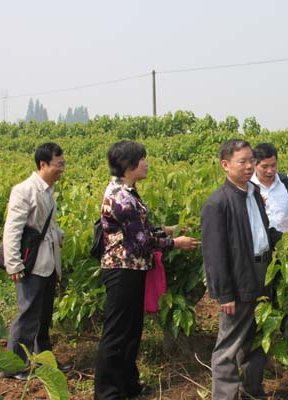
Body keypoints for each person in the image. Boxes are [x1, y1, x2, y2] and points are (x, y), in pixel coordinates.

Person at [94, 140, 199, 400]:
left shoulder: (128, 192)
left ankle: (128, 386)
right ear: (128, 165)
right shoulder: (121, 197)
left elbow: (139, 230)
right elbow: (141, 241)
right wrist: (175, 243)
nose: (146, 163)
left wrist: (168, 230)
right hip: (122, 269)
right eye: (142, 159)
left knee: (131, 329)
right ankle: (108, 393)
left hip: (133, 268)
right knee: (117, 332)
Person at [201, 139, 284, 400]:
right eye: (242, 162)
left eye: (251, 160)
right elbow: (214, 254)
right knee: (229, 345)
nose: (249, 166)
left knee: (256, 339)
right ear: (225, 165)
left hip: (262, 272)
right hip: (239, 280)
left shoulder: (253, 194)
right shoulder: (218, 203)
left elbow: (264, 233)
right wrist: (224, 293)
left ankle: (252, 391)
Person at [1, 142, 70, 380]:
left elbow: (45, 225)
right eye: (58, 164)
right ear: (43, 164)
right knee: (27, 315)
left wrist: (59, 234)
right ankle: (13, 366)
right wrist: (14, 264)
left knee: (43, 316)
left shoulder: (48, 190)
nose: (62, 169)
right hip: (31, 264)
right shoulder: (24, 190)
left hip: (47, 262)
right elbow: (12, 230)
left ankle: (43, 359)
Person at [251, 142, 288, 233]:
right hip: (261, 240)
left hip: (287, 239)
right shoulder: (249, 186)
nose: (270, 171)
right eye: (265, 167)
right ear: (254, 165)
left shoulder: (287, 182)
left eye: (273, 165)